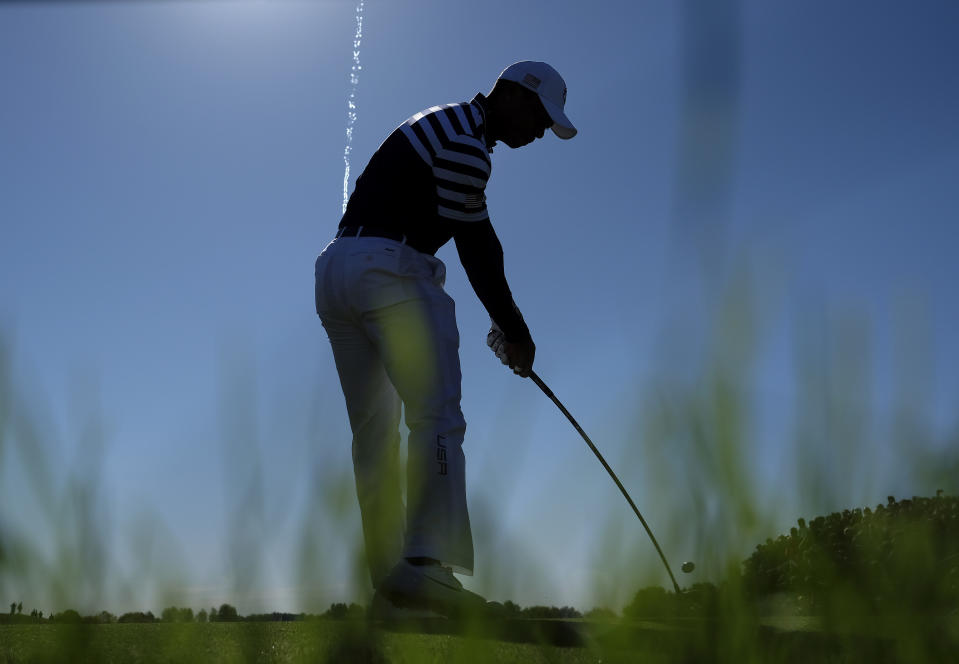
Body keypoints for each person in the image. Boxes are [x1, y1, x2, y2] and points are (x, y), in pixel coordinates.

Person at [314, 61, 576, 618]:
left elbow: (477, 233)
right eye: (538, 116)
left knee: (374, 436)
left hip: (338, 271)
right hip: (389, 266)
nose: (538, 133)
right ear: (510, 94)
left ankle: (393, 587)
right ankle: (428, 568)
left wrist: (508, 326)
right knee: (435, 416)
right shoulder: (467, 144)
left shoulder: (449, 125)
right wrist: (518, 334)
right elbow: (479, 250)